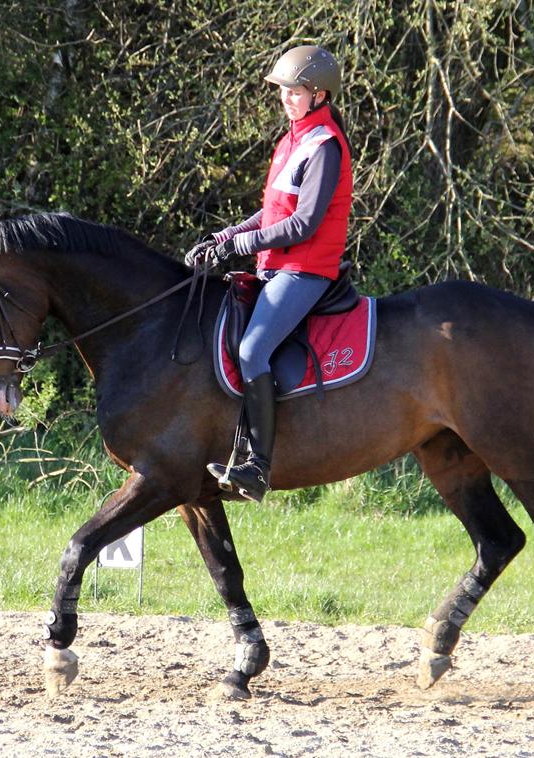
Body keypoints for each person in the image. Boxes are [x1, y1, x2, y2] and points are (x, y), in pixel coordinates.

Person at [186, 44, 353, 502]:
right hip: (275, 266)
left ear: (320, 95)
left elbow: (304, 224)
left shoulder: (324, 146)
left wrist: (240, 246)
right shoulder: (292, 141)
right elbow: (272, 212)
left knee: (253, 348)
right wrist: (225, 236)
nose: (286, 98)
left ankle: (258, 467)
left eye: (294, 91)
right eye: (283, 90)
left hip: (305, 269)